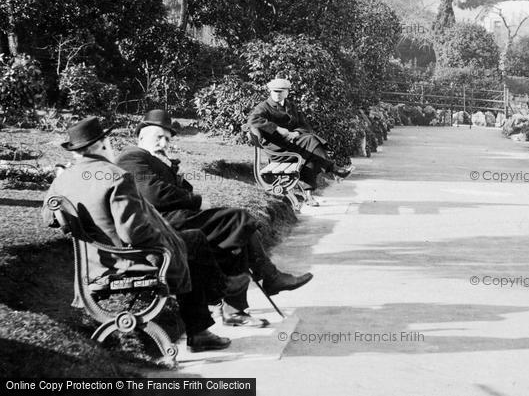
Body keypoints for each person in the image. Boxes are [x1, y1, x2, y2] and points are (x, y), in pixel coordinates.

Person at [42, 116, 249, 352]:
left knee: (189, 240)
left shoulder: (63, 179)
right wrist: (167, 241)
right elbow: (134, 232)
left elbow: (49, 218)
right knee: (191, 242)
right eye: (107, 142)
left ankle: (213, 305)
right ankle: (216, 300)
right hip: (125, 259)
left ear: (76, 151)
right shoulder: (115, 175)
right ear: (102, 145)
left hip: (94, 261)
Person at [115, 109, 313, 327]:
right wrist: (196, 201)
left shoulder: (152, 159)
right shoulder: (132, 157)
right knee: (239, 219)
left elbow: (180, 189)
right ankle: (267, 279)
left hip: (173, 218)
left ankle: (239, 309)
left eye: (167, 138)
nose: (163, 143)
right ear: (141, 137)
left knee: (237, 235)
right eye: (158, 137)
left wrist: (170, 167)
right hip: (161, 224)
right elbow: (155, 194)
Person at [247, 77, 353, 206]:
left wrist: (295, 133)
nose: (277, 94)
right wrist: (277, 128)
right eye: (275, 91)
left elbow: (305, 126)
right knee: (311, 141)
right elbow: (252, 121)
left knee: (312, 154)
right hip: (277, 148)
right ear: (270, 91)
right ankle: (334, 170)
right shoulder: (264, 107)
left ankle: (309, 195)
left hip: (291, 143)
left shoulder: (290, 106)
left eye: (281, 91)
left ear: (287, 92)